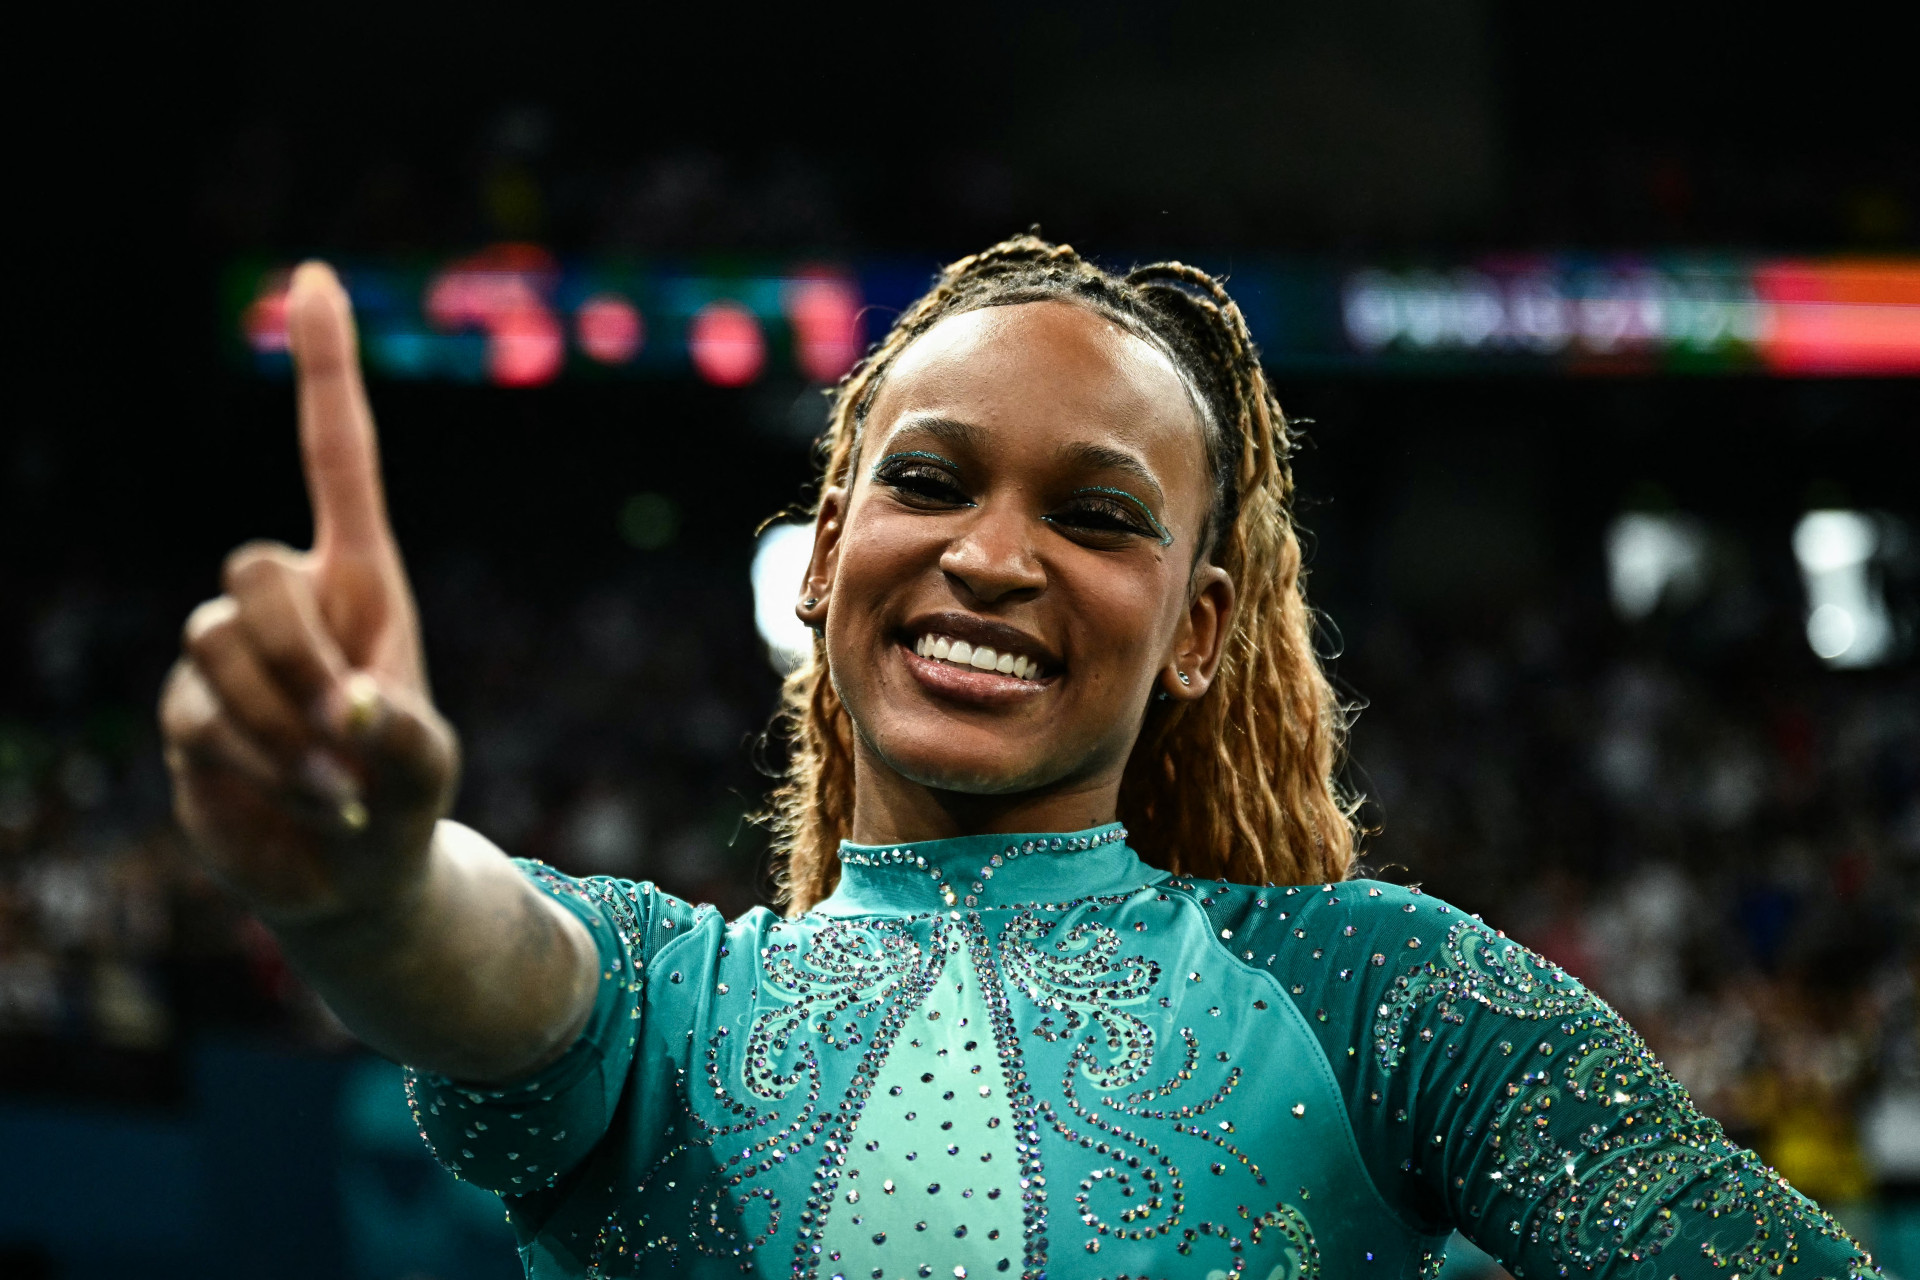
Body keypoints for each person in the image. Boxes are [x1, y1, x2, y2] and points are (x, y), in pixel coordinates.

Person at [159, 238, 1875, 1278]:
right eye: (930, 481)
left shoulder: (1379, 999)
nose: (992, 554)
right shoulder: (667, 1009)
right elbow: (481, 957)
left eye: (1095, 515)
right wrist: (374, 875)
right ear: (824, 552)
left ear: (1198, 628)